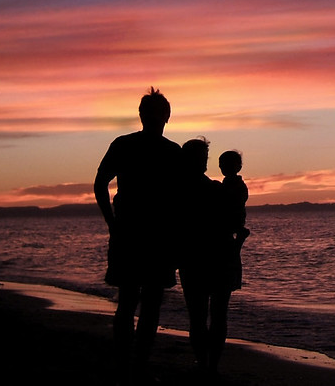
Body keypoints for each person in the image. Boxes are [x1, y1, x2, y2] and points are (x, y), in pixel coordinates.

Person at [93, 87, 182, 383]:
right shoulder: (138, 147)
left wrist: (112, 223)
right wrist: (112, 222)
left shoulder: (167, 150)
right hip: (135, 233)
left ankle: (133, 364)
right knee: (135, 301)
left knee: (139, 301)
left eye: (158, 114)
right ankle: (130, 364)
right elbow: (100, 184)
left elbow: (183, 197)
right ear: (146, 116)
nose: (157, 119)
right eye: (154, 114)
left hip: (149, 235)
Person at [179, 139, 245, 377]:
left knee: (201, 315)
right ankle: (210, 366)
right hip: (213, 256)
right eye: (203, 158)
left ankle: (206, 365)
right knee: (214, 314)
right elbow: (235, 220)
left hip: (197, 257)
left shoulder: (181, 190)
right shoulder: (214, 189)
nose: (205, 163)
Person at [218, 150, 250, 291]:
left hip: (232, 224)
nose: (225, 167)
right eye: (222, 165)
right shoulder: (225, 184)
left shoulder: (237, 186)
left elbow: (234, 205)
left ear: (238, 167)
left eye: (229, 164)